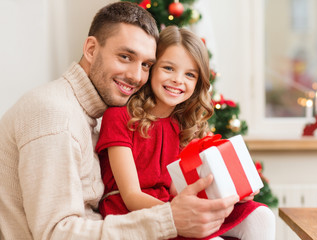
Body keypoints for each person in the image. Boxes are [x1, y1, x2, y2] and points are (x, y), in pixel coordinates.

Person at [0, 2, 239, 239]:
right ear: (91, 49)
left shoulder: (91, 113)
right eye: (125, 57)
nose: (137, 76)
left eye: (146, 65)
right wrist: (169, 219)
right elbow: (55, 234)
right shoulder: (54, 116)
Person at [96, 25, 276, 240]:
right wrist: (181, 214)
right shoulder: (120, 117)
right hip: (134, 213)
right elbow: (131, 196)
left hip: (172, 204)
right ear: (151, 68)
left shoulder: (182, 125)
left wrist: (233, 195)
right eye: (169, 68)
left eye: (190, 74)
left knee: (262, 216)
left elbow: (178, 189)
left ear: (198, 82)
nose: (178, 80)